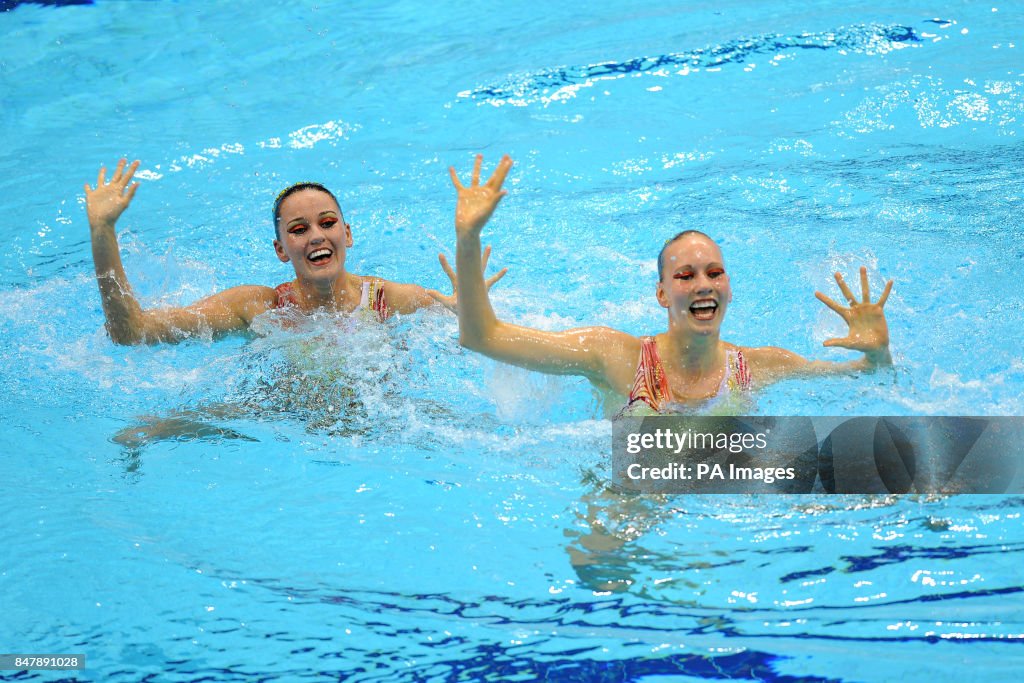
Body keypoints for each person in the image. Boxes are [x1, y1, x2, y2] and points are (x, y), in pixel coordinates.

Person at [449, 154, 895, 414]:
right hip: (632, 492)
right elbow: (481, 337)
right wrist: (468, 238)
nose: (704, 285)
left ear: (729, 288)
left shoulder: (760, 366)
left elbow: (871, 382)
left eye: (714, 273)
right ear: (662, 294)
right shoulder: (614, 357)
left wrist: (878, 353)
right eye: (685, 276)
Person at [85, 158, 506, 345]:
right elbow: (132, 333)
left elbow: (485, 333)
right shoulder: (258, 306)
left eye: (327, 223)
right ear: (281, 250)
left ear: (348, 233)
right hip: (280, 420)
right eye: (299, 230)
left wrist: (468, 303)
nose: (316, 237)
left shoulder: (390, 300)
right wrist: (102, 232)